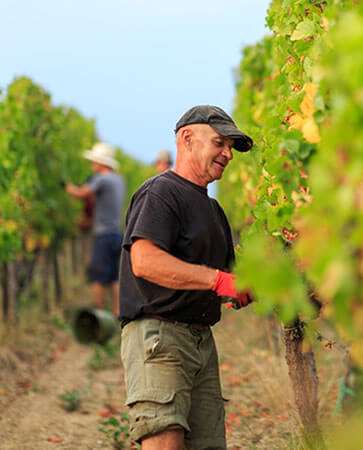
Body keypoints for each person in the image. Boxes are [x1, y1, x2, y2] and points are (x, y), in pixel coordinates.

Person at [119, 105, 254, 450]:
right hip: (160, 338)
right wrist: (218, 282)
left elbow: (228, 280)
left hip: (200, 341)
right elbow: (145, 261)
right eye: (220, 142)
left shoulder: (213, 211)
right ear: (187, 138)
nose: (227, 154)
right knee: (165, 440)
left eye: (231, 148)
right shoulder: (161, 193)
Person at [66, 142, 125, 316]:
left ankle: (98, 316)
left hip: (103, 235)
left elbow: (82, 193)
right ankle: (117, 312)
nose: (92, 165)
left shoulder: (102, 179)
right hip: (116, 234)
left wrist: (68, 188)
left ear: (101, 162)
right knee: (114, 276)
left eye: (94, 161)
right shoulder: (118, 179)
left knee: (97, 275)